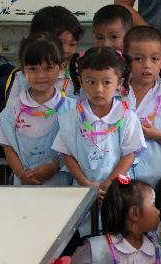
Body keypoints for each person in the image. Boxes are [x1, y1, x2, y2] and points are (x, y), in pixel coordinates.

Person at [53, 47, 145, 214]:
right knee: (84, 226)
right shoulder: (71, 116)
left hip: (117, 189)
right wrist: (85, 183)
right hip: (82, 189)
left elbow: (129, 154)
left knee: (116, 223)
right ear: (81, 81)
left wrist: (109, 182)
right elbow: (67, 154)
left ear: (119, 83)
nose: (99, 89)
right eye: (91, 82)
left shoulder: (127, 116)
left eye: (106, 82)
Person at [0, 35, 71, 186]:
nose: (41, 75)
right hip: (23, 186)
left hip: (61, 188)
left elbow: (74, 148)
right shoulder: (13, 109)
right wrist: (22, 174)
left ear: (61, 68)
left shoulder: (71, 109)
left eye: (48, 68)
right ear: (23, 70)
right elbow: (8, 147)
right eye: (33, 69)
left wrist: (54, 167)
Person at [124, 26, 161, 186]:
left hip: (153, 172)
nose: (147, 65)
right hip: (120, 171)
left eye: (154, 59)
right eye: (138, 58)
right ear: (126, 60)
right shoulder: (115, 95)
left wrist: (156, 134)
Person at [6, 5, 84, 100]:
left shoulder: (80, 72)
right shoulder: (22, 76)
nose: (66, 50)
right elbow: (12, 107)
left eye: (72, 44)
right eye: (59, 43)